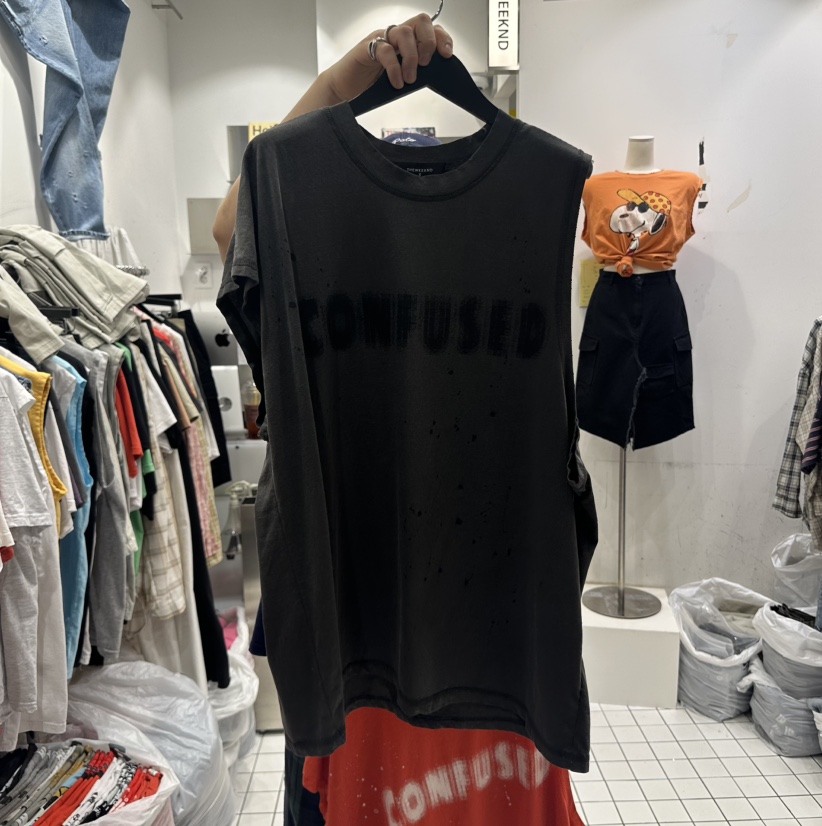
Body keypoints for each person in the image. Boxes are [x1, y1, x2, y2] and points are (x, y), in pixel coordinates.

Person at [214, 17, 455, 825]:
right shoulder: (303, 232)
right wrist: (342, 80)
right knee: (333, 786)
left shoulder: (484, 250)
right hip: (346, 592)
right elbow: (232, 224)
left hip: (423, 603)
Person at [212, 13, 454, 261]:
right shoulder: (335, 241)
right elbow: (230, 233)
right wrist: (331, 90)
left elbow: (229, 233)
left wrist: (331, 90)